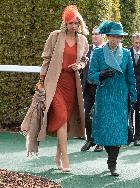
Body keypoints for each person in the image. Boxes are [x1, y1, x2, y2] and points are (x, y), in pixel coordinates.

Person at [36, 5, 89, 171]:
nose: (73, 26)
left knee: (65, 120)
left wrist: (79, 65)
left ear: (79, 24)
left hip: (71, 84)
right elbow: (46, 59)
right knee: (60, 115)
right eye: (69, 23)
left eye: (75, 23)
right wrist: (41, 81)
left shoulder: (83, 40)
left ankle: (58, 155)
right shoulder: (55, 36)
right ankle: (66, 159)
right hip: (55, 82)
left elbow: (84, 60)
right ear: (64, 23)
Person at [88, 21, 137, 176]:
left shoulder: (127, 54)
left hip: (120, 96)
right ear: (107, 36)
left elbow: (131, 77)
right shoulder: (97, 53)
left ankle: (112, 162)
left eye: (118, 37)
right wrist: (101, 75)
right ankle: (110, 156)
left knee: (117, 130)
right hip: (104, 96)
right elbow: (90, 77)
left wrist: (134, 96)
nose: (115, 40)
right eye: (112, 36)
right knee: (105, 129)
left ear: (121, 38)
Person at [80, 27, 104, 152]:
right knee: (86, 114)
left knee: (99, 115)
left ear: (103, 36)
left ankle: (100, 142)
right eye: (93, 34)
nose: (94, 36)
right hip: (88, 87)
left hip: (101, 87)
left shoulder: (107, 50)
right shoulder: (87, 50)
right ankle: (90, 140)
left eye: (97, 34)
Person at [129, 33, 140, 146]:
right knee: (128, 113)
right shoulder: (126, 53)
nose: (138, 45)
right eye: (136, 43)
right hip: (129, 88)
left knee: (139, 115)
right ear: (132, 42)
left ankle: (137, 137)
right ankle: (129, 136)